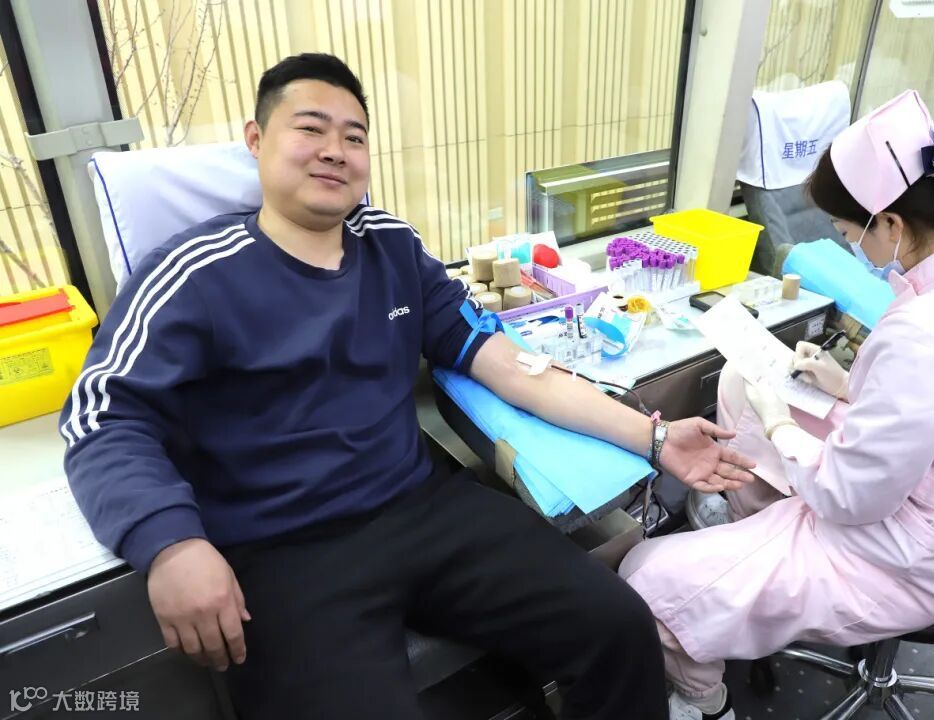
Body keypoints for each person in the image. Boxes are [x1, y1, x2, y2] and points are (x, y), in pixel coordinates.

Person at [59, 53, 756, 720]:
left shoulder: (391, 246)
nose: (335, 151)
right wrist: (171, 544)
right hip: (282, 549)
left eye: (353, 136)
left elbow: (507, 363)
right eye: (310, 128)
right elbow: (102, 417)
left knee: (618, 628)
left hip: (419, 506)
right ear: (256, 139)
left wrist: (654, 437)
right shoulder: (194, 273)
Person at [619, 89, 934, 720]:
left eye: (847, 231)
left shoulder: (932, 329)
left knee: (646, 578)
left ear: (892, 225)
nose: (846, 242)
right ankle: (747, 538)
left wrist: (781, 423)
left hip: (911, 551)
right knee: (742, 381)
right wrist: (848, 385)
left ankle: (704, 699)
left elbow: (852, 498)